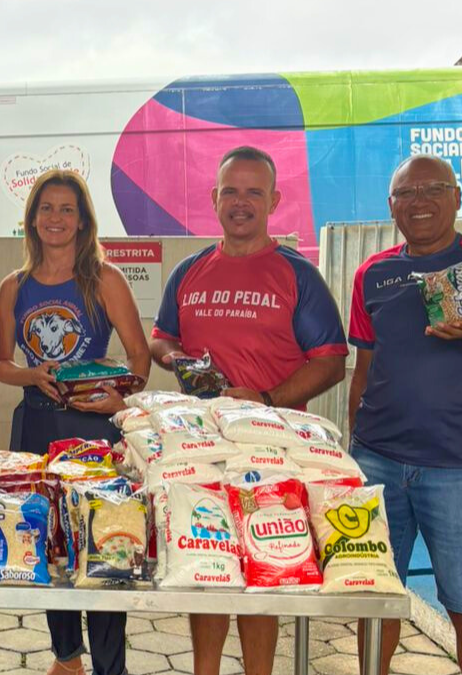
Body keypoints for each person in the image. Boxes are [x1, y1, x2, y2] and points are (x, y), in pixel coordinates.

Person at [148, 146, 347, 675]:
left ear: (274, 200)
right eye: (230, 191)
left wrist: (265, 400)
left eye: (253, 192)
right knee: (206, 569)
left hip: (270, 450)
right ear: (214, 199)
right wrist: (178, 359)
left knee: (263, 575)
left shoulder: (297, 275)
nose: (240, 203)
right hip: (197, 449)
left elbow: (331, 362)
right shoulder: (189, 271)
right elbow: (160, 340)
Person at [348, 154, 462, 675]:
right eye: (407, 193)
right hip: (377, 464)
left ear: (457, 197)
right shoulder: (372, 274)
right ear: (391, 207)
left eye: (434, 189)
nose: (420, 201)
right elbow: (362, 374)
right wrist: (352, 457)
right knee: (375, 603)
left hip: (459, 470)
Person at [0, 170, 149, 675]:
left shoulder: (104, 279)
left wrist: (114, 401)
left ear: (83, 221)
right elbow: (0, 365)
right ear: (32, 219)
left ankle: (111, 666)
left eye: (66, 209)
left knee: (105, 546)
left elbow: (140, 362)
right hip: (34, 429)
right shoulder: (13, 286)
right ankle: (66, 658)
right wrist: (31, 374)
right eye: (46, 208)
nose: (55, 218)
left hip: (94, 433)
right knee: (47, 544)